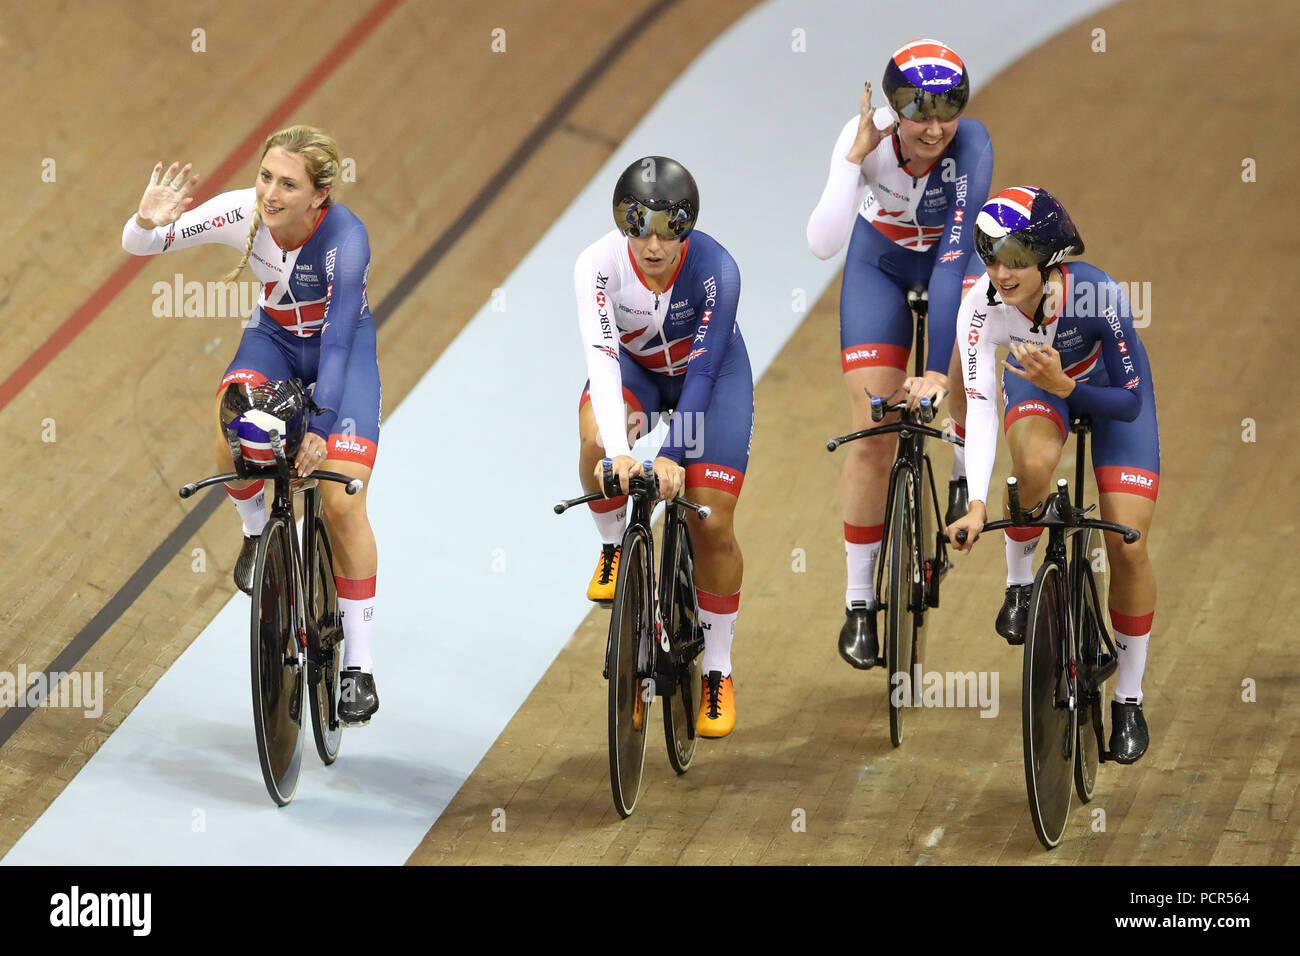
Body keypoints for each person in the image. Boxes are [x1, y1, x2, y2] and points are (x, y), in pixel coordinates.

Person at [121, 125, 382, 726]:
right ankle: (257, 530)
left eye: (288, 184)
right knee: (230, 430)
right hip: (274, 343)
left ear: (319, 195)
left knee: (344, 503)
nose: (270, 192)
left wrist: (318, 426)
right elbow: (140, 246)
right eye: (266, 176)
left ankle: (358, 668)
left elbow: (339, 339)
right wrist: (147, 220)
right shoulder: (241, 212)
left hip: (339, 356)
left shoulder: (347, 237)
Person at [946, 185, 1159, 763]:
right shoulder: (980, 304)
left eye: (1016, 259)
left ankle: (1130, 701)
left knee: (1129, 545)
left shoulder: (1097, 295)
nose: (1001, 272)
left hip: (1109, 400)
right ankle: (1020, 583)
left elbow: (1131, 403)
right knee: (1034, 464)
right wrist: (975, 499)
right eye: (991, 258)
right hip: (1043, 392)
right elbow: (981, 401)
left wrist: (1068, 385)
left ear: (1050, 258)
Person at [807, 38, 992, 669]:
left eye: (949, 110)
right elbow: (822, 244)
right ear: (894, 110)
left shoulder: (973, 146)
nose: (936, 128)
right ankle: (861, 602)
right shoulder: (862, 137)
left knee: (964, 359)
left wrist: (939, 369)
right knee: (872, 432)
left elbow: (951, 261)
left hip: (952, 258)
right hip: (878, 262)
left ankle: (966, 464)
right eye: (921, 112)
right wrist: (849, 164)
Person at [575, 156, 753, 738]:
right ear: (623, 222)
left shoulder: (716, 272)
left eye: (667, 230)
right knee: (595, 441)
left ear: (687, 227)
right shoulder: (597, 266)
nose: (652, 244)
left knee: (711, 522)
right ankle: (612, 549)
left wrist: (674, 453)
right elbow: (602, 359)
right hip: (640, 375)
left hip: (711, 378)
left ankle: (718, 670)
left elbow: (701, 376)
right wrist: (618, 452)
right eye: (639, 227)